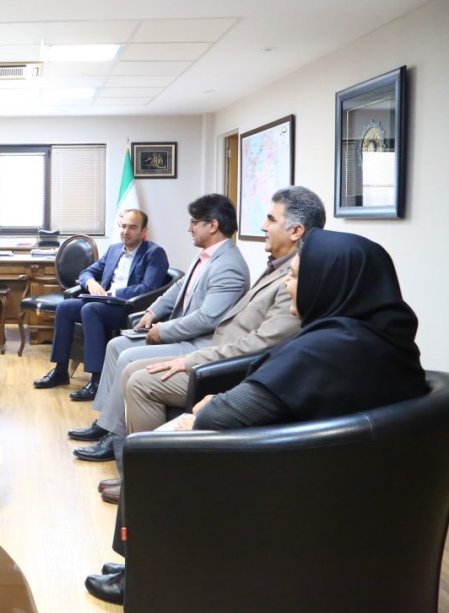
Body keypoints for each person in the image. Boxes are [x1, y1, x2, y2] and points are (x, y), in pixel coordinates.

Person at [84, 227, 429, 605]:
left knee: (150, 450)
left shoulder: (324, 351)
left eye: (295, 277)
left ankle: (147, 575)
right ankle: (140, 561)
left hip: (281, 489)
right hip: (341, 490)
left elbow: (219, 419)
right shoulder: (387, 339)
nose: (288, 286)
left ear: (327, 282)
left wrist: (209, 407)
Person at [88, 186, 325, 502]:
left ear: (296, 231)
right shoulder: (276, 265)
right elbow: (177, 291)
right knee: (126, 358)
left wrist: (183, 350)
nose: (263, 226)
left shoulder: (282, 271)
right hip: (217, 353)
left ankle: (148, 482)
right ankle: (126, 457)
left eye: (270, 219)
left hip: (221, 360)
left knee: (139, 378)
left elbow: (246, 335)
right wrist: (153, 313)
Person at [73, 194, 249, 463]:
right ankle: (105, 424)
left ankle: (114, 436)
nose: (189, 228)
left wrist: (163, 330)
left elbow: (207, 319)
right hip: (184, 334)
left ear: (212, 225)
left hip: (200, 343)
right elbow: (178, 288)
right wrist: (152, 311)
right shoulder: (206, 256)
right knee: (116, 345)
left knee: (127, 357)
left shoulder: (229, 266)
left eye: (194, 222)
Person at [32, 209, 170, 401]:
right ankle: (60, 370)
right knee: (65, 307)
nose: (126, 232)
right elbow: (86, 272)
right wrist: (91, 283)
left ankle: (97, 381)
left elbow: (149, 288)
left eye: (132, 227)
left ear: (143, 230)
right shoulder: (114, 250)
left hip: (129, 308)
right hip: (104, 303)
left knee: (90, 310)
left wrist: (112, 293)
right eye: (123, 226)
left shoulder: (154, 253)